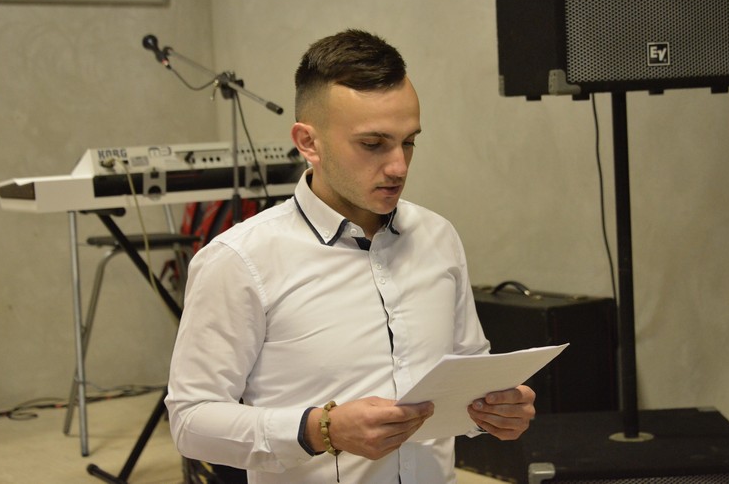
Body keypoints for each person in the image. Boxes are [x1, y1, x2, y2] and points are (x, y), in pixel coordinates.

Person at [165, 29, 536, 484]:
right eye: (373, 144)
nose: (398, 166)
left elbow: (467, 370)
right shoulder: (240, 260)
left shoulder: (438, 236)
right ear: (308, 142)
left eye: (409, 141)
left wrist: (495, 410)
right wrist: (319, 430)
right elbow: (190, 421)